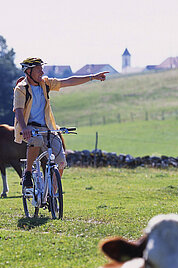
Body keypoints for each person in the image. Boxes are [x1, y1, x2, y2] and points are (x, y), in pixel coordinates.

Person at [13, 57, 109, 190]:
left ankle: (51, 194)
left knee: (61, 161)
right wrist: (25, 128)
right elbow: (18, 110)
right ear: (28, 71)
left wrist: (93, 77)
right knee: (36, 140)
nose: (42, 72)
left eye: (42, 68)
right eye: (38, 69)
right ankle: (28, 173)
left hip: (48, 127)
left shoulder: (45, 84)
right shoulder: (21, 89)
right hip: (30, 127)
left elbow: (68, 81)